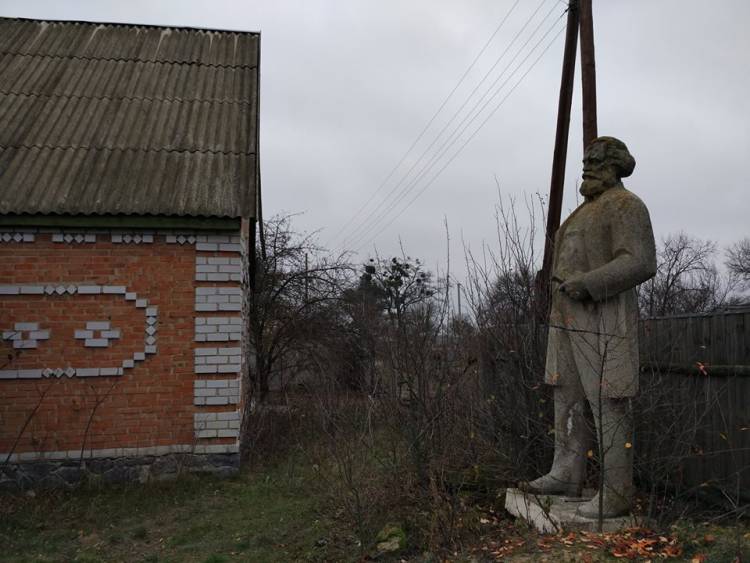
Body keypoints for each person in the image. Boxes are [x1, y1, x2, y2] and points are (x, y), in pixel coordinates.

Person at [524, 136, 657, 518]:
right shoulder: (582, 212)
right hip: (566, 316)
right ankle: (567, 473)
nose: (587, 166)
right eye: (586, 160)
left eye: (596, 160)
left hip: (604, 314)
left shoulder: (627, 206)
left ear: (616, 165)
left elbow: (641, 261)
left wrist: (589, 282)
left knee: (607, 398)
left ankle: (615, 493)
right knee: (565, 393)